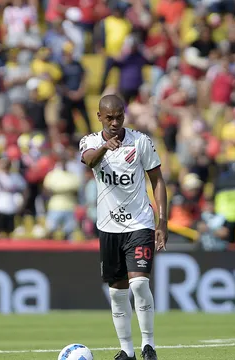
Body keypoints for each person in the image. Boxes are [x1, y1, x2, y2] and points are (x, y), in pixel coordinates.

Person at [79, 95, 167, 360]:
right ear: (99, 117)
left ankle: (148, 346)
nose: (115, 122)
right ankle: (126, 350)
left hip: (140, 223)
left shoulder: (141, 142)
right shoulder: (90, 142)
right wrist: (107, 147)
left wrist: (162, 221)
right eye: (110, 118)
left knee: (139, 284)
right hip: (108, 228)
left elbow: (158, 181)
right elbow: (90, 161)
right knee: (117, 293)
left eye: (119, 116)